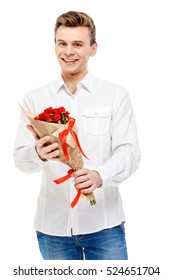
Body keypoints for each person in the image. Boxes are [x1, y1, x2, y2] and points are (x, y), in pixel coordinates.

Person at [13, 11, 141, 260]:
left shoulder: (115, 95)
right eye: (62, 43)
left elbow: (130, 152)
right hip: (53, 229)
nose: (68, 51)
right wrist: (37, 154)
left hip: (105, 226)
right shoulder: (35, 98)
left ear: (93, 49)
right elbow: (19, 159)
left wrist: (99, 176)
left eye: (77, 44)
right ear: (55, 46)